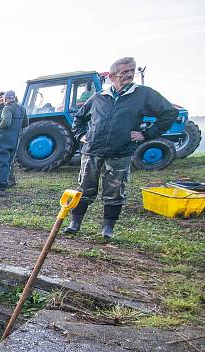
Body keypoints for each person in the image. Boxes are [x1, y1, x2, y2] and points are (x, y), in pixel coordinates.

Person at [65, 57, 177, 239]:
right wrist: (81, 135)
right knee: (84, 189)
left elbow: (169, 113)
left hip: (120, 152)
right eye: (124, 72)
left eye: (132, 71)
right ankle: (75, 223)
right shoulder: (99, 97)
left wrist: (146, 134)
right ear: (112, 76)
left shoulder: (143, 95)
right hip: (92, 150)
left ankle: (107, 229)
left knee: (115, 192)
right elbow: (79, 118)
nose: (129, 75)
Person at [0, 90, 28, 197]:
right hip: (14, 140)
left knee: (1, 162)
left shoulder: (7, 108)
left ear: (6, 99)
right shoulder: (22, 108)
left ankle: (0, 188)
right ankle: (4, 182)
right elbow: (25, 123)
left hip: (3, 139)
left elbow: (6, 123)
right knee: (8, 162)